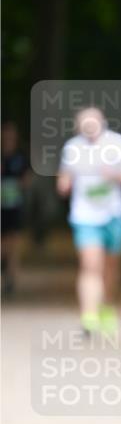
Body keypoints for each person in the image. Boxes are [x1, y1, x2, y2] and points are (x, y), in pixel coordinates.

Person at [57, 107, 121, 333]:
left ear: (102, 122)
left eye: (93, 123)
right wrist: (63, 184)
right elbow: (64, 176)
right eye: (85, 124)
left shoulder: (118, 143)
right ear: (78, 126)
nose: (89, 128)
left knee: (110, 267)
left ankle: (107, 305)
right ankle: (89, 316)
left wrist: (115, 175)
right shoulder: (72, 147)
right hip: (85, 216)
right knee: (90, 265)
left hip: (114, 214)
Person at [1, 120, 31, 296]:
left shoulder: (21, 157)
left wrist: (20, 184)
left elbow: (27, 179)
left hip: (14, 206)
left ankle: (10, 279)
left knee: (14, 244)